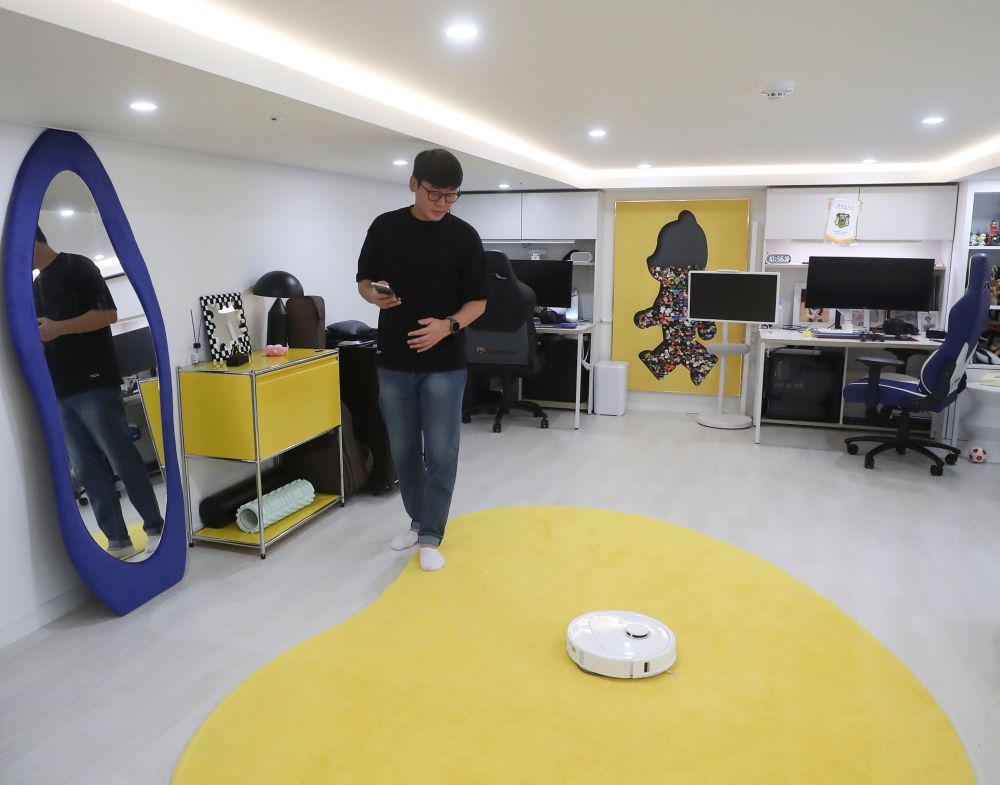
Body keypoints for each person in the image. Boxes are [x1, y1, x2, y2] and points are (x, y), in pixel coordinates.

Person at [356, 149, 487, 571]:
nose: (443, 203)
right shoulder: (385, 227)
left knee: (442, 450)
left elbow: (478, 302)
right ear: (414, 184)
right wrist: (373, 295)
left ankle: (432, 534)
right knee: (404, 449)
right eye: (435, 194)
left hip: (445, 364)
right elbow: (364, 280)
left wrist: (447, 326)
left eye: (452, 196)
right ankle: (417, 521)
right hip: (393, 360)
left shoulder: (464, 237)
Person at [33, 226, 163, 559]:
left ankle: (154, 527)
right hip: (59, 390)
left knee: (121, 456)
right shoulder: (34, 286)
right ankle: (118, 539)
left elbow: (108, 314)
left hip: (94, 381)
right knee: (87, 468)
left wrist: (58, 328)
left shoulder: (77, 265)